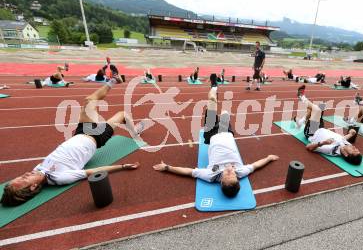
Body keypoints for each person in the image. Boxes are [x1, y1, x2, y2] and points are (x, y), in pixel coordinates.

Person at [0, 80, 144, 206]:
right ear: (33, 187)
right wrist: (122, 166)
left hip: (81, 132)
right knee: (122, 115)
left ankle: (113, 80)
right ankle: (136, 132)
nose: (25, 174)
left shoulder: (39, 169)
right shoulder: (60, 178)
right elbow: (91, 172)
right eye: (25, 178)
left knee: (89, 100)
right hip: (95, 137)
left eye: (21, 175)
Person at [153, 86, 278, 198]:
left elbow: (189, 172)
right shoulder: (241, 172)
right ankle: (218, 101)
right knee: (225, 112)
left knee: (212, 101)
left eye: (227, 176)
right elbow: (256, 165)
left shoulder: (211, 176)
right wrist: (268, 158)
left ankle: (213, 87)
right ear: (237, 179)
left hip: (212, 134)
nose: (230, 172)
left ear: (221, 182)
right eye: (233, 176)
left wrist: (167, 167)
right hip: (226, 131)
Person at [295, 85, 362, 165]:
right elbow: (342, 139)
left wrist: (322, 143)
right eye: (356, 149)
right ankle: (300, 122)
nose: (354, 147)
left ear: (345, 154)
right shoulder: (346, 146)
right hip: (321, 127)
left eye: (354, 150)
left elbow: (308, 147)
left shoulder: (331, 149)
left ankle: (302, 97)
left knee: (316, 109)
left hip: (312, 132)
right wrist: (351, 134)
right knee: (320, 106)